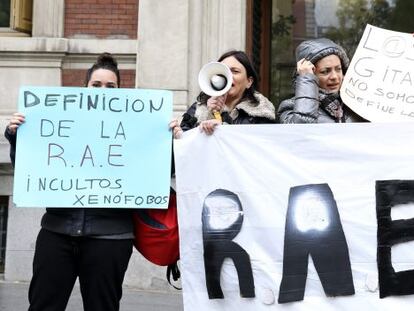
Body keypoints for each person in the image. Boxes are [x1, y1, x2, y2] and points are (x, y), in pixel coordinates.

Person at [5, 53, 133, 311]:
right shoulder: (60, 121)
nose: (102, 91)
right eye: (96, 85)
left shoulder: (135, 128)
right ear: (84, 89)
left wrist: (170, 142)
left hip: (110, 237)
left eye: (111, 87)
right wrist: (18, 136)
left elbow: (159, 174)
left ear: (121, 93)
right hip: (57, 233)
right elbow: (33, 168)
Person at [170, 50, 275, 138]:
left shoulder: (261, 111)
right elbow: (187, 145)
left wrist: (222, 127)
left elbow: (258, 146)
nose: (227, 76)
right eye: (223, 71)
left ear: (249, 81)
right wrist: (180, 136)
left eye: (235, 71)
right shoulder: (198, 109)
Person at [277, 38, 366, 123]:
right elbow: (300, 131)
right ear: (311, 73)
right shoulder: (290, 107)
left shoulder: (357, 104)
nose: (334, 77)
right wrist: (306, 79)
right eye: (325, 71)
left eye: (338, 69)